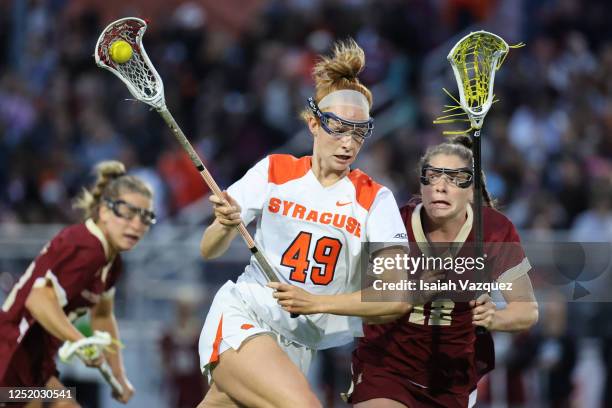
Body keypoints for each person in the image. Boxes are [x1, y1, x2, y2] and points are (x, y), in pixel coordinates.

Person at [197, 39, 411, 408]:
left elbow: (395, 297)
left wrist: (316, 302)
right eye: (338, 129)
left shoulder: (376, 200)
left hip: (300, 343)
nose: (348, 143)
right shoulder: (274, 171)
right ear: (313, 123)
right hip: (245, 315)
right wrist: (224, 224)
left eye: (358, 132)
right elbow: (208, 249)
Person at [343, 136, 539, 407]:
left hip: (452, 381)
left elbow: (527, 310)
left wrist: (495, 318)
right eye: (432, 177)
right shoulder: (394, 225)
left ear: (471, 189)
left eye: (454, 178)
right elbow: (367, 298)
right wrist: (411, 294)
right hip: (386, 368)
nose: (440, 188)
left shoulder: (495, 231)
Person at [0, 160, 155, 407]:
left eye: (146, 216)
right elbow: (38, 299)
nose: (137, 224)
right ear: (104, 211)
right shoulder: (87, 246)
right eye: (128, 212)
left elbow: (102, 316)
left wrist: (119, 376)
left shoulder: (111, 263)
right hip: (10, 357)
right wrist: (81, 343)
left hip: (37, 364)